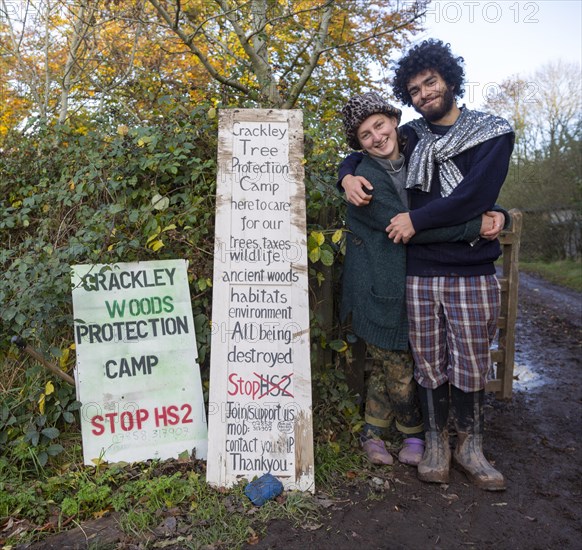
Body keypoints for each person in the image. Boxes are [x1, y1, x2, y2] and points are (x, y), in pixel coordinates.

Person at [339, 39, 514, 491]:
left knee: (472, 360)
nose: (424, 94)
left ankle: (470, 446)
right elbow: (365, 150)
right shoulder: (412, 134)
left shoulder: (492, 132)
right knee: (429, 363)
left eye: (430, 83)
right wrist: (346, 173)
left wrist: (493, 215)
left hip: (471, 268)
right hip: (418, 270)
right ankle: (435, 442)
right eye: (414, 89)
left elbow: (475, 197)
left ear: (450, 80)